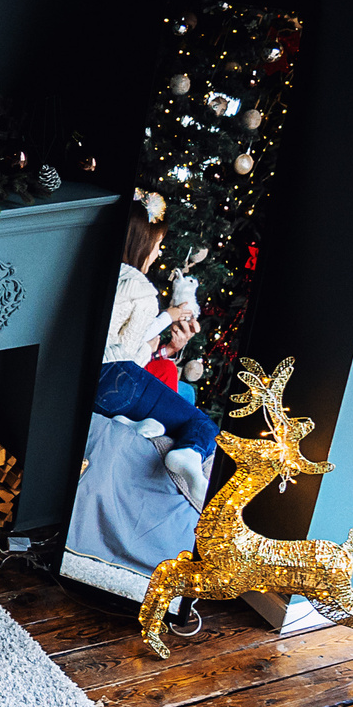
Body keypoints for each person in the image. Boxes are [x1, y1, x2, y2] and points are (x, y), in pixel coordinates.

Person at [99, 211, 217, 509]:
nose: (158, 252)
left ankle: (128, 425)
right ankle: (189, 453)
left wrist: (161, 350)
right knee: (200, 421)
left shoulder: (96, 267)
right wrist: (151, 345)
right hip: (112, 376)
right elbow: (127, 353)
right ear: (141, 243)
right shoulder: (139, 288)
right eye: (157, 244)